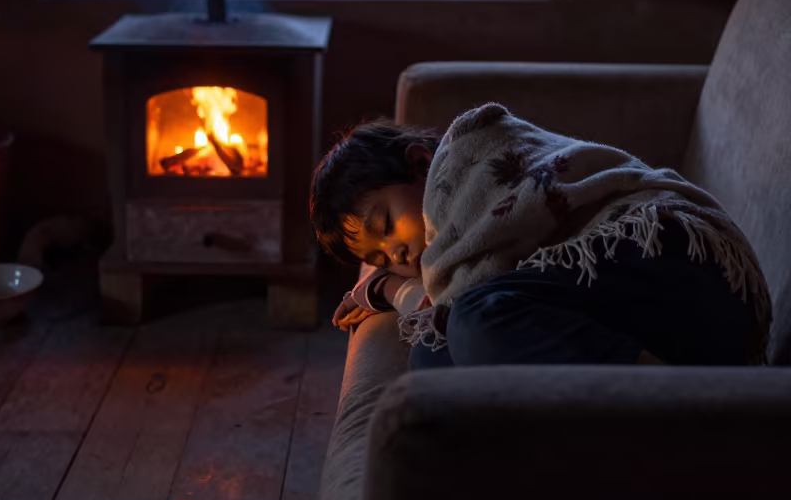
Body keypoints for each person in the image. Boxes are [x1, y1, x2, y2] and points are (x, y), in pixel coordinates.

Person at [310, 104, 772, 369]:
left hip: (680, 264)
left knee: (474, 322)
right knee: (432, 360)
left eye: (386, 225)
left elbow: (454, 307)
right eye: (382, 257)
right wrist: (396, 286)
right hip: (643, 323)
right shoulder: (457, 252)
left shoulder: (467, 159)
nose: (398, 253)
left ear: (419, 164)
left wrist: (389, 287)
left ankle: (681, 409)